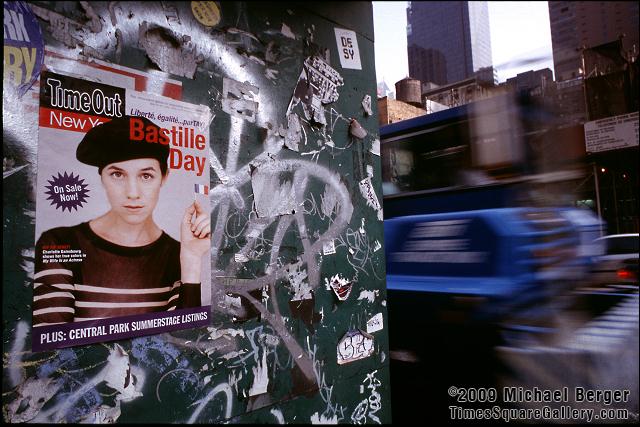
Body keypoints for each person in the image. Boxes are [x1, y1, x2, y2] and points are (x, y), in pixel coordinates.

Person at [32, 116, 210, 326]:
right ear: (102, 178)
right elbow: (53, 345)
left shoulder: (176, 255)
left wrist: (190, 259)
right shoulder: (59, 242)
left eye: (146, 176)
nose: (132, 193)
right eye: (117, 174)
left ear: (164, 177)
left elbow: (185, 342)